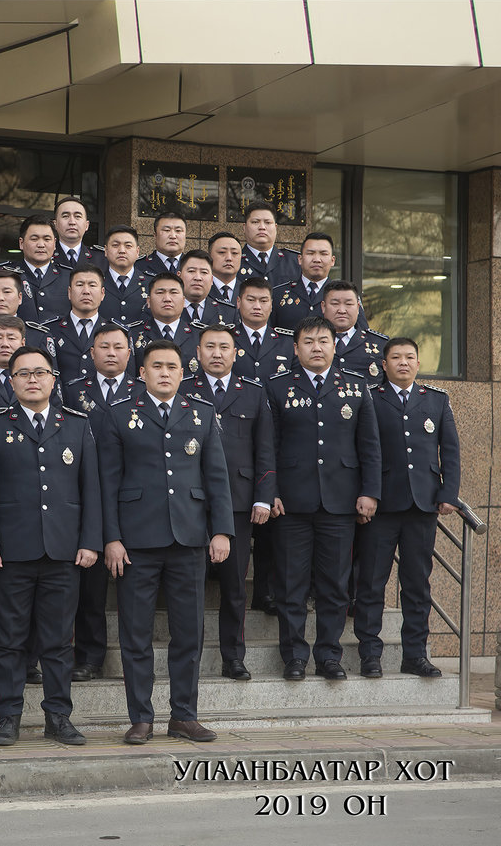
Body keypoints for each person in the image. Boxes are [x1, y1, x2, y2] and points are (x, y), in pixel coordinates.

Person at [95, 341, 231, 744]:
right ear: (142, 373)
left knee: (189, 632)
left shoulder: (202, 413)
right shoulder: (119, 415)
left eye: (172, 366)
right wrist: (112, 539)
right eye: (157, 366)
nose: (165, 373)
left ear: (181, 372)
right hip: (136, 542)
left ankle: (184, 716)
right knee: (136, 635)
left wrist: (221, 530)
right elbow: (107, 483)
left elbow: (217, 478)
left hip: (188, 538)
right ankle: (141, 718)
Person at [0, 346, 99, 747]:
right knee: (9, 639)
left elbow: (90, 489)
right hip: (11, 551)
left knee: (59, 641)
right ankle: (8, 716)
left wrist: (90, 541)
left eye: (40, 373)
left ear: (53, 379)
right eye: (23, 373)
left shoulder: (76, 425)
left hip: (63, 551)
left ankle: (58, 716)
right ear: (11, 381)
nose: (32, 379)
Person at [265, 317, 382, 681]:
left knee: (334, 586)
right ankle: (295, 656)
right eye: (309, 341)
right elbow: (268, 447)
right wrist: (270, 492)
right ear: (295, 348)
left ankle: (329, 656)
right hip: (292, 503)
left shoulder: (356, 386)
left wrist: (370, 492)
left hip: (340, 502)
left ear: (335, 345)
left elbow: (370, 446)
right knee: (291, 586)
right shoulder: (278, 386)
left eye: (324, 341)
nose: (317, 347)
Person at [356, 337, 460, 679]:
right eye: (396, 357)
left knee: (417, 584)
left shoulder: (436, 400)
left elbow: (450, 451)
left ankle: (415, 655)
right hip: (382, 504)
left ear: (418, 363)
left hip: (423, 505)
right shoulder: (371, 397)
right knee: (372, 583)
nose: (403, 362)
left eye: (410, 357)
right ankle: (370, 655)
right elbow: (362, 450)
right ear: (383, 365)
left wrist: (449, 493)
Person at [192, 324, 275, 681]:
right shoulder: (182, 391)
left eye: (224, 347)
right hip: (190, 502)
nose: (216, 353)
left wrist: (263, 498)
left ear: (235, 352)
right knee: (189, 587)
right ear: (197, 353)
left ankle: (233, 657)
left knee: (235, 587)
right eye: (209, 346)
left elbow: (265, 449)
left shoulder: (253, 393)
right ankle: (189, 657)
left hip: (239, 503)